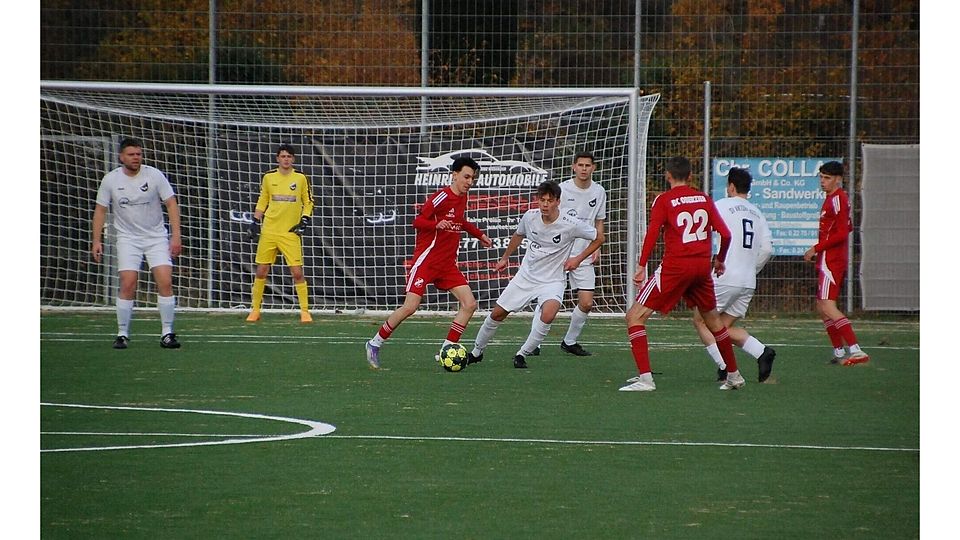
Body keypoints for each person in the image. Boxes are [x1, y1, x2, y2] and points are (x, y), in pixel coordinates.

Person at [620, 156, 744, 391]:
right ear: (690, 176)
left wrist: (641, 265)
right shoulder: (705, 199)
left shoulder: (664, 200)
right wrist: (720, 260)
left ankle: (645, 379)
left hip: (676, 267)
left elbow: (653, 233)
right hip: (701, 268)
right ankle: (734, 375)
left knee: (635, 317)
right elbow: (726, 235)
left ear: (668, 176)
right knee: (714, 322)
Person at [364, 156, 492, 369]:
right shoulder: (441, 196)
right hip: (427, 261)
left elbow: (460, 221)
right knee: (410, 307)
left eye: (473, 178)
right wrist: (436, 224)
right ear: (455, 175)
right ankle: (374, 343)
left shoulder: (462, 197)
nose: (470, 182)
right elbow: (417, 221)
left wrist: (479, 235)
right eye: (466, 177)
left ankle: (446, 350)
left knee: (469, 304)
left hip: (447, 264)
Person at [467, 180, 603, 369]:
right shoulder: (530, 217)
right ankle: (476, 352)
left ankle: (522, 354)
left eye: (549, 200)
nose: (545, 204)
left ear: (558, 201)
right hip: (526, 277)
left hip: (553, 280)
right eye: (542, 200)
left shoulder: (570, 224)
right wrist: (505, 258)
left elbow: (599, 237)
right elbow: (518, 235)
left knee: (548, 314)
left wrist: (578, 259)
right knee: (497, 314)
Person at [91, 137, 182, 349]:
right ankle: (122, 333)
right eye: (131, 154)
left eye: (139, 154)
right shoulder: (111, 180)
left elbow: (171, 203)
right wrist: (96, 240)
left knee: (165, 281)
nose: (136, 158)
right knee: (128, 282)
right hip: (127, 239)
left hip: (156, 237)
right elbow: (100, 210)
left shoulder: (154, 175)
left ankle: (167, 332)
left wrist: (175, 235)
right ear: (122, 157)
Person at [690, 167, 777, 383]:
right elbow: (767, 250)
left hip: (725, 276)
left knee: (701, 321)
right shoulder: (757, 213)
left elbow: (701, 231)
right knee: (722, 327)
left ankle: (725, 367)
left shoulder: (721, 205)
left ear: (730, 186)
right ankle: (761, 352)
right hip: (748, 281)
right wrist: (751, 268)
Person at [528, 151, 607, 357]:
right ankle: (534, 342)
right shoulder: (562, 189)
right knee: (548, 299)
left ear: (593, 168)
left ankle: (569, 341)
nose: (583, 169)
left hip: (583, 254)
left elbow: (599, 221)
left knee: (587, 302)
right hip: (559, 253)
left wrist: (596, 246)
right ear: (574, 167)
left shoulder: (599, 192)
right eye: (580, 165)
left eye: (587, 165)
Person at [803, 161, 869, 365]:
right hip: (828, 259)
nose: (823, 181)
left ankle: (856, 350)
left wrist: (817, 247)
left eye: (827, 178)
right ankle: (839, 351)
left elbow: (841, 233)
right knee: (822, 306)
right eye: (821, 177)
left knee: (827, 305)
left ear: (838, 179)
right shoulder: (832, 199)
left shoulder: (838, 198)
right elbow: (846, 227)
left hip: (831, 260)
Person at [245, 144, 315, 323]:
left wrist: (304, 220)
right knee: (261, 271)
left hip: (289, 232)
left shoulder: (300, 178)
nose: (286, 159)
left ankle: (305, 311)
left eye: (289, 156)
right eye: (283, 156)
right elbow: (263, 200)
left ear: (293, 159)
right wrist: (255, 221)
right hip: (269, 230)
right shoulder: (269, 177)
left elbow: (308, 202)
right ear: (278, 158)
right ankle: (255, 310)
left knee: (297, 272)